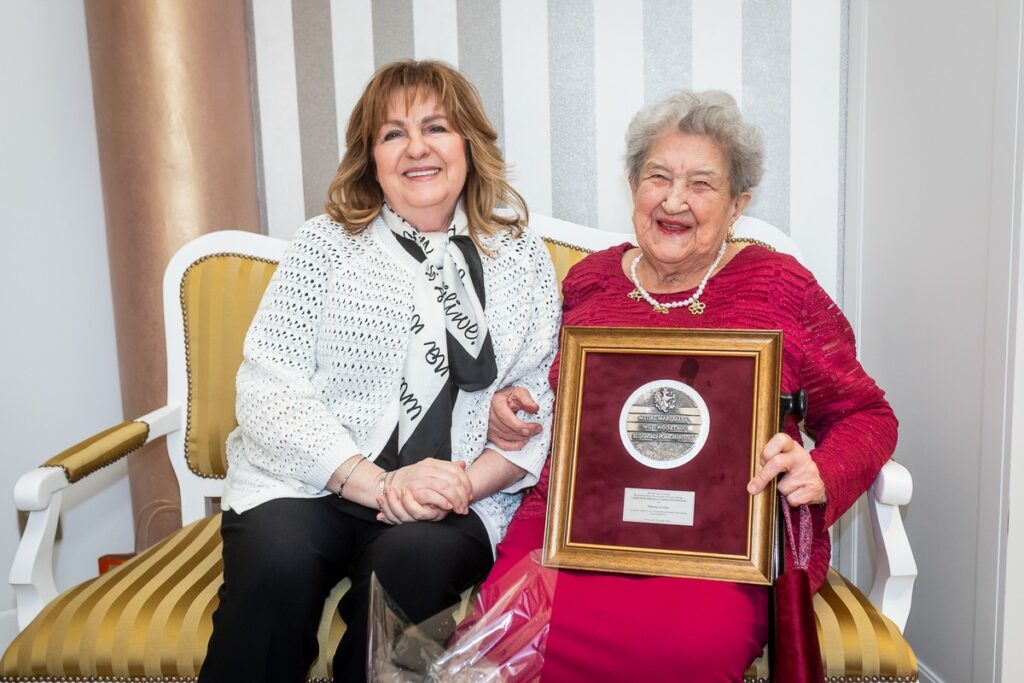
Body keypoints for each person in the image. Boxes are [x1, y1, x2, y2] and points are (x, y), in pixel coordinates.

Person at [482, 90, 898, 682]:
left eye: (701, 184)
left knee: (684, 650)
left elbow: (866, 414)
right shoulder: (588, 281)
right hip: (574, 526)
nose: (674, 200)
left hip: (721, 547)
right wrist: (510, 407)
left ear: (737, 206)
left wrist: (819, 472)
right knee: (502, 636)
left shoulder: (779, 284)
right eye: (658, 176)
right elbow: (542, 392)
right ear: (633, 188)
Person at [198, 60, 560, 683]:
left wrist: (462, 484)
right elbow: (268, 388)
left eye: (436, 127)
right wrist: (377, 484)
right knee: (277, 568)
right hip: (309, 482)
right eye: (393, 133)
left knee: (413, 572)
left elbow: (540, 407)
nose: (416, 148)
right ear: (371, 156)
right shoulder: (325, 246)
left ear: (468, 143)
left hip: (452, 497)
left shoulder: (520, 257)